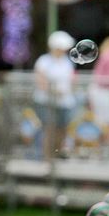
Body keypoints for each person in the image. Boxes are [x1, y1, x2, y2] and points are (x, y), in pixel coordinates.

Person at [32, 30, 77, 159]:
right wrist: (54, 90)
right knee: (49, 129)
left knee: (61, 130)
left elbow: (71, 80)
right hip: (46, 101)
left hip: (64, 102)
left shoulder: (67, 62)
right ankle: (47, 159)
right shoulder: (43, 61)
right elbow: (41, 81)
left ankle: (55, 157)